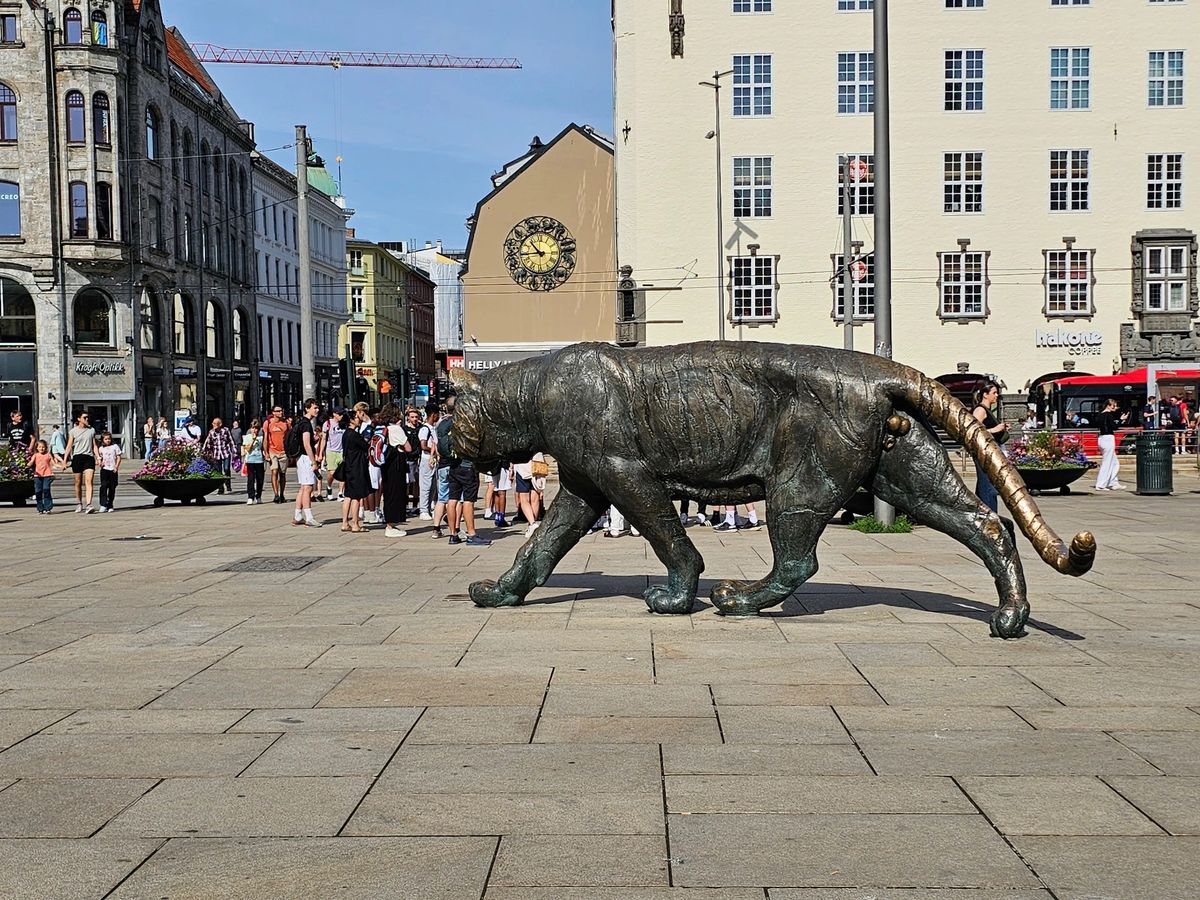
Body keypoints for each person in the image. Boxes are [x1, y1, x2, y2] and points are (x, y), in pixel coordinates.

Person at [437, 397, 489, 546]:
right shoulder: (465, 422)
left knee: (452, 499)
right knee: (468, 500)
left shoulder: (443, 424)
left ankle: (453, 534)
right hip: (467, 465)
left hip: (452, 465)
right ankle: (471, 534)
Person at [971, 380, 1007, 512]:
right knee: (988, 488)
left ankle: (978, 514)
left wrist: (1001, 428)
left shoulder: (987, 410)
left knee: (984, 487)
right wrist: (995, 429)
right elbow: (974, 431)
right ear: (985, 395)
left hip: (989, 452)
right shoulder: (980, 410)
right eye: (994, 392)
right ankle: (991, 517)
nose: (997, 395)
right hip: (983, 453)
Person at [340, 402, 372, 533]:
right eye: (357, 418)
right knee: (356, 497)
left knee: (348, 495)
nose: (359, 420)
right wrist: (369, 423)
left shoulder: (346, 434)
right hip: (357, 467)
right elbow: (366, 445)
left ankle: (344, 523)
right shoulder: (354, 435)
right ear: (352, 420)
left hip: (348, 466)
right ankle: (355, 524)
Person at [381, 407, 411, 538]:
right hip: (396, 464)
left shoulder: (383, 427)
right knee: (396, 492)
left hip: (386, 463)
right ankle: (390, 525)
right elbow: (408, 447)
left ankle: (390, 522)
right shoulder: (396, 429)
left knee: (388, 492)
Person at [292, 398, 322, 527]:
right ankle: (309, 517)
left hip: (301, 457)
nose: (317, 410)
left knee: (303, 487)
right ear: (307, 408)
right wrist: (313, 461)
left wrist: (314, 440)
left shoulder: (301, 422)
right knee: (308, 487)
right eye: (314, 408)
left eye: (317, 407)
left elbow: (306, 442)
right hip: (305, 458)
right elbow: (306, 444)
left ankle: (298, 515)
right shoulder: (306, 424)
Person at [61, 410, 97, 514]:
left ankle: (89, 504)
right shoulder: (73, 431)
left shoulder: (91, 430)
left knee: (89, 481)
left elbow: (94, 445)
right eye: (84, 417)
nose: (87, 419)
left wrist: (98, 457)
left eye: (87, 417)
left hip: (89, 457)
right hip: (77, 457)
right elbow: (69, 446)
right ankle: (79, 503)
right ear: (79, 419)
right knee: (78, 482)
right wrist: (64, 461)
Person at [1094, 398, 1124, 491]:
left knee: (1115, 463)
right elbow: (1114, 427)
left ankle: (1113, 483)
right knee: (1107, 463)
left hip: (1101, 438)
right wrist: (1121, 420)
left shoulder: (1100, 415)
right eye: (1113, 406)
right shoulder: (1109, 415)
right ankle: (1100, 484)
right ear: (1108, 406)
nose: (1115, 407)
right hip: (1108, 438)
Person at [513, 453, 546, 537]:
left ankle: (532, 523)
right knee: (535, 498)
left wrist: (511, 468)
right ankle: (531, 525)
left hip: (523, 466)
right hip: (538, 463)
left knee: (524, 499)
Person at [201, 417, 236, 494]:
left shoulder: (226, 430)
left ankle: (228, 484)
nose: (213, 424)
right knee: (218, 472)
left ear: (220, 424)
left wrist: (235, 452)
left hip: (225, 453)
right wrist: (203, 452)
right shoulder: (211, 432)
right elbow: (207, 443)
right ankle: (220, 488)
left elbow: (231, 441)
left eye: (215, 423)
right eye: (213, 423)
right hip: (216, 454)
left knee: (226, 469)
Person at [264, 405, 289, 503]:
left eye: (281, 411)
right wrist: (266, 452)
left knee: (282, 474)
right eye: (278, 411)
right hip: (272, 450)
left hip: (283, 452)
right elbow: (266, 438)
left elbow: (288, 438)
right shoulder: (268, 423)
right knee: (274, 471)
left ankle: (282, 494)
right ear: (273, 412)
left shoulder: (285, 423)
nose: (280, 413)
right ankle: (276, 494)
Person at [418, 407, 439, 519]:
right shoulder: (425, 429)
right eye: (437, 414)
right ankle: (423, 510)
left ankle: (428, 508)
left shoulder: (433, 428)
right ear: (433, 415)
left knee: (433, 486)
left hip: (434, 459)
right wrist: (433, 450)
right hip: (427, 459)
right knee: (425, 485)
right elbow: (423, 445)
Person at [402, 407, 423, 515]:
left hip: (418, 459)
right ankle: (405, 505)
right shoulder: (404, 429)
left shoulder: (421, 428)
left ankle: (415, 506)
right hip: (408, 459)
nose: (415, 419)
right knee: (407, 483)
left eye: (416, 417)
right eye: (412, 417)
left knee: (416, 483)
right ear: (408, 418)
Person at [323, 409, 346, 501]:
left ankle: (341, 492)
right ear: (334, 414)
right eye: (339, 414)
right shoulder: (328, 423)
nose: (341, 416)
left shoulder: (344, 424)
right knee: (332, 473)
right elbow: (324, 439)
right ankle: (329, 486)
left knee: (342, 472)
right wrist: (321, 453)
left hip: (341, 450)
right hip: (331, 450)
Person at [97, 431, 122, 512]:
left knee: (112, 487)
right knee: (103, 486)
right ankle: (103, 504)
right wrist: (99, 463)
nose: (108, 440)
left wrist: (116, 466)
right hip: (104, 470)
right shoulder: (101, 448)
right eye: (106, 439)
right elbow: (99, 458)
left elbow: (118, 457)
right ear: (102, 440)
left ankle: (110, 504)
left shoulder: (115, 447)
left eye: (109, 439)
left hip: (113, 470)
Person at [242, 419, 265, 504]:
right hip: (250, 460)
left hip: (259, 460)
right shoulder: (247, 437)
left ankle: (258, 496)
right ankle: (250, 497)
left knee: (260, 479)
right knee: (251, 479)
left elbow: (263, 447)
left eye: (256, 428)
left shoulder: (261, 438)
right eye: (253, 428)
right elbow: (247, 449)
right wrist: (253, 440)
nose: (254, 430)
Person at [31, 439, 55, 514]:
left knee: (46, 489)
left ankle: (48, 508)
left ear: (46, 448)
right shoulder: (35, 455)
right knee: (38, 491)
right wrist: (28, 464)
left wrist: (61, 466)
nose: (41, 448)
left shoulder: (48, 455)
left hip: (47, 475)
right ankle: (40, 508)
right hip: (37, 476)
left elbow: (53, 463)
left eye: (43, 447)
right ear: (37, 448)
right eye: (40, 447)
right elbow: (31, 462)